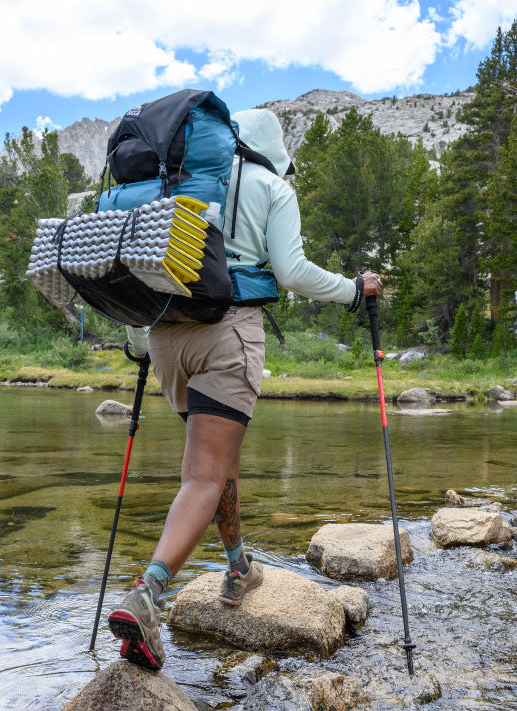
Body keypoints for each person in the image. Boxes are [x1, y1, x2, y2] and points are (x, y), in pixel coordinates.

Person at [109, 107, 382, 671]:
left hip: (165, 339)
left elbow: (140, 272)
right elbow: (293, 271)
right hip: (226, 334)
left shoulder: (177, 186)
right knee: (204, 475)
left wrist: (140, 340)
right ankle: (150, 592)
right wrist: (354, 289)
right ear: (272, 149)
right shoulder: (270, 187)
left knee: (218, 462)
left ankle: (238, 563)